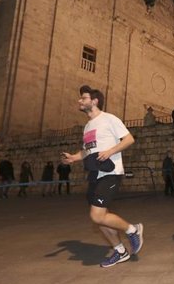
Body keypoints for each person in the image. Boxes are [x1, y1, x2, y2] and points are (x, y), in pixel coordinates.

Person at [61, 85, 143, 268]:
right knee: (100, 217)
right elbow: (88, 150)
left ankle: (133, 229)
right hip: (94, 174)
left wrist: (110, 151)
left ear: (94, 101)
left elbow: (129, 139)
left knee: (97, 215)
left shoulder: (109, 119)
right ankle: (120, 251)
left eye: (83, 98)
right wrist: (74, 158)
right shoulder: (88, 126)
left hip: (110, 173)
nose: (79, 101)